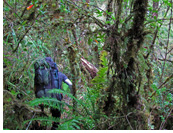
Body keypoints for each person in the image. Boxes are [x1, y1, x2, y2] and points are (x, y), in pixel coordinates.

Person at [34, 57, 72, 130]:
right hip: (55, 99)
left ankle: (40, 127)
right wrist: (71, 93)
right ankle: (55, 127)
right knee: (56, 114)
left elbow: (35, 86)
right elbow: (69, 83)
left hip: (41, 98)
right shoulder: (60, 75)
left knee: (40, 117)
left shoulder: (39, 74)